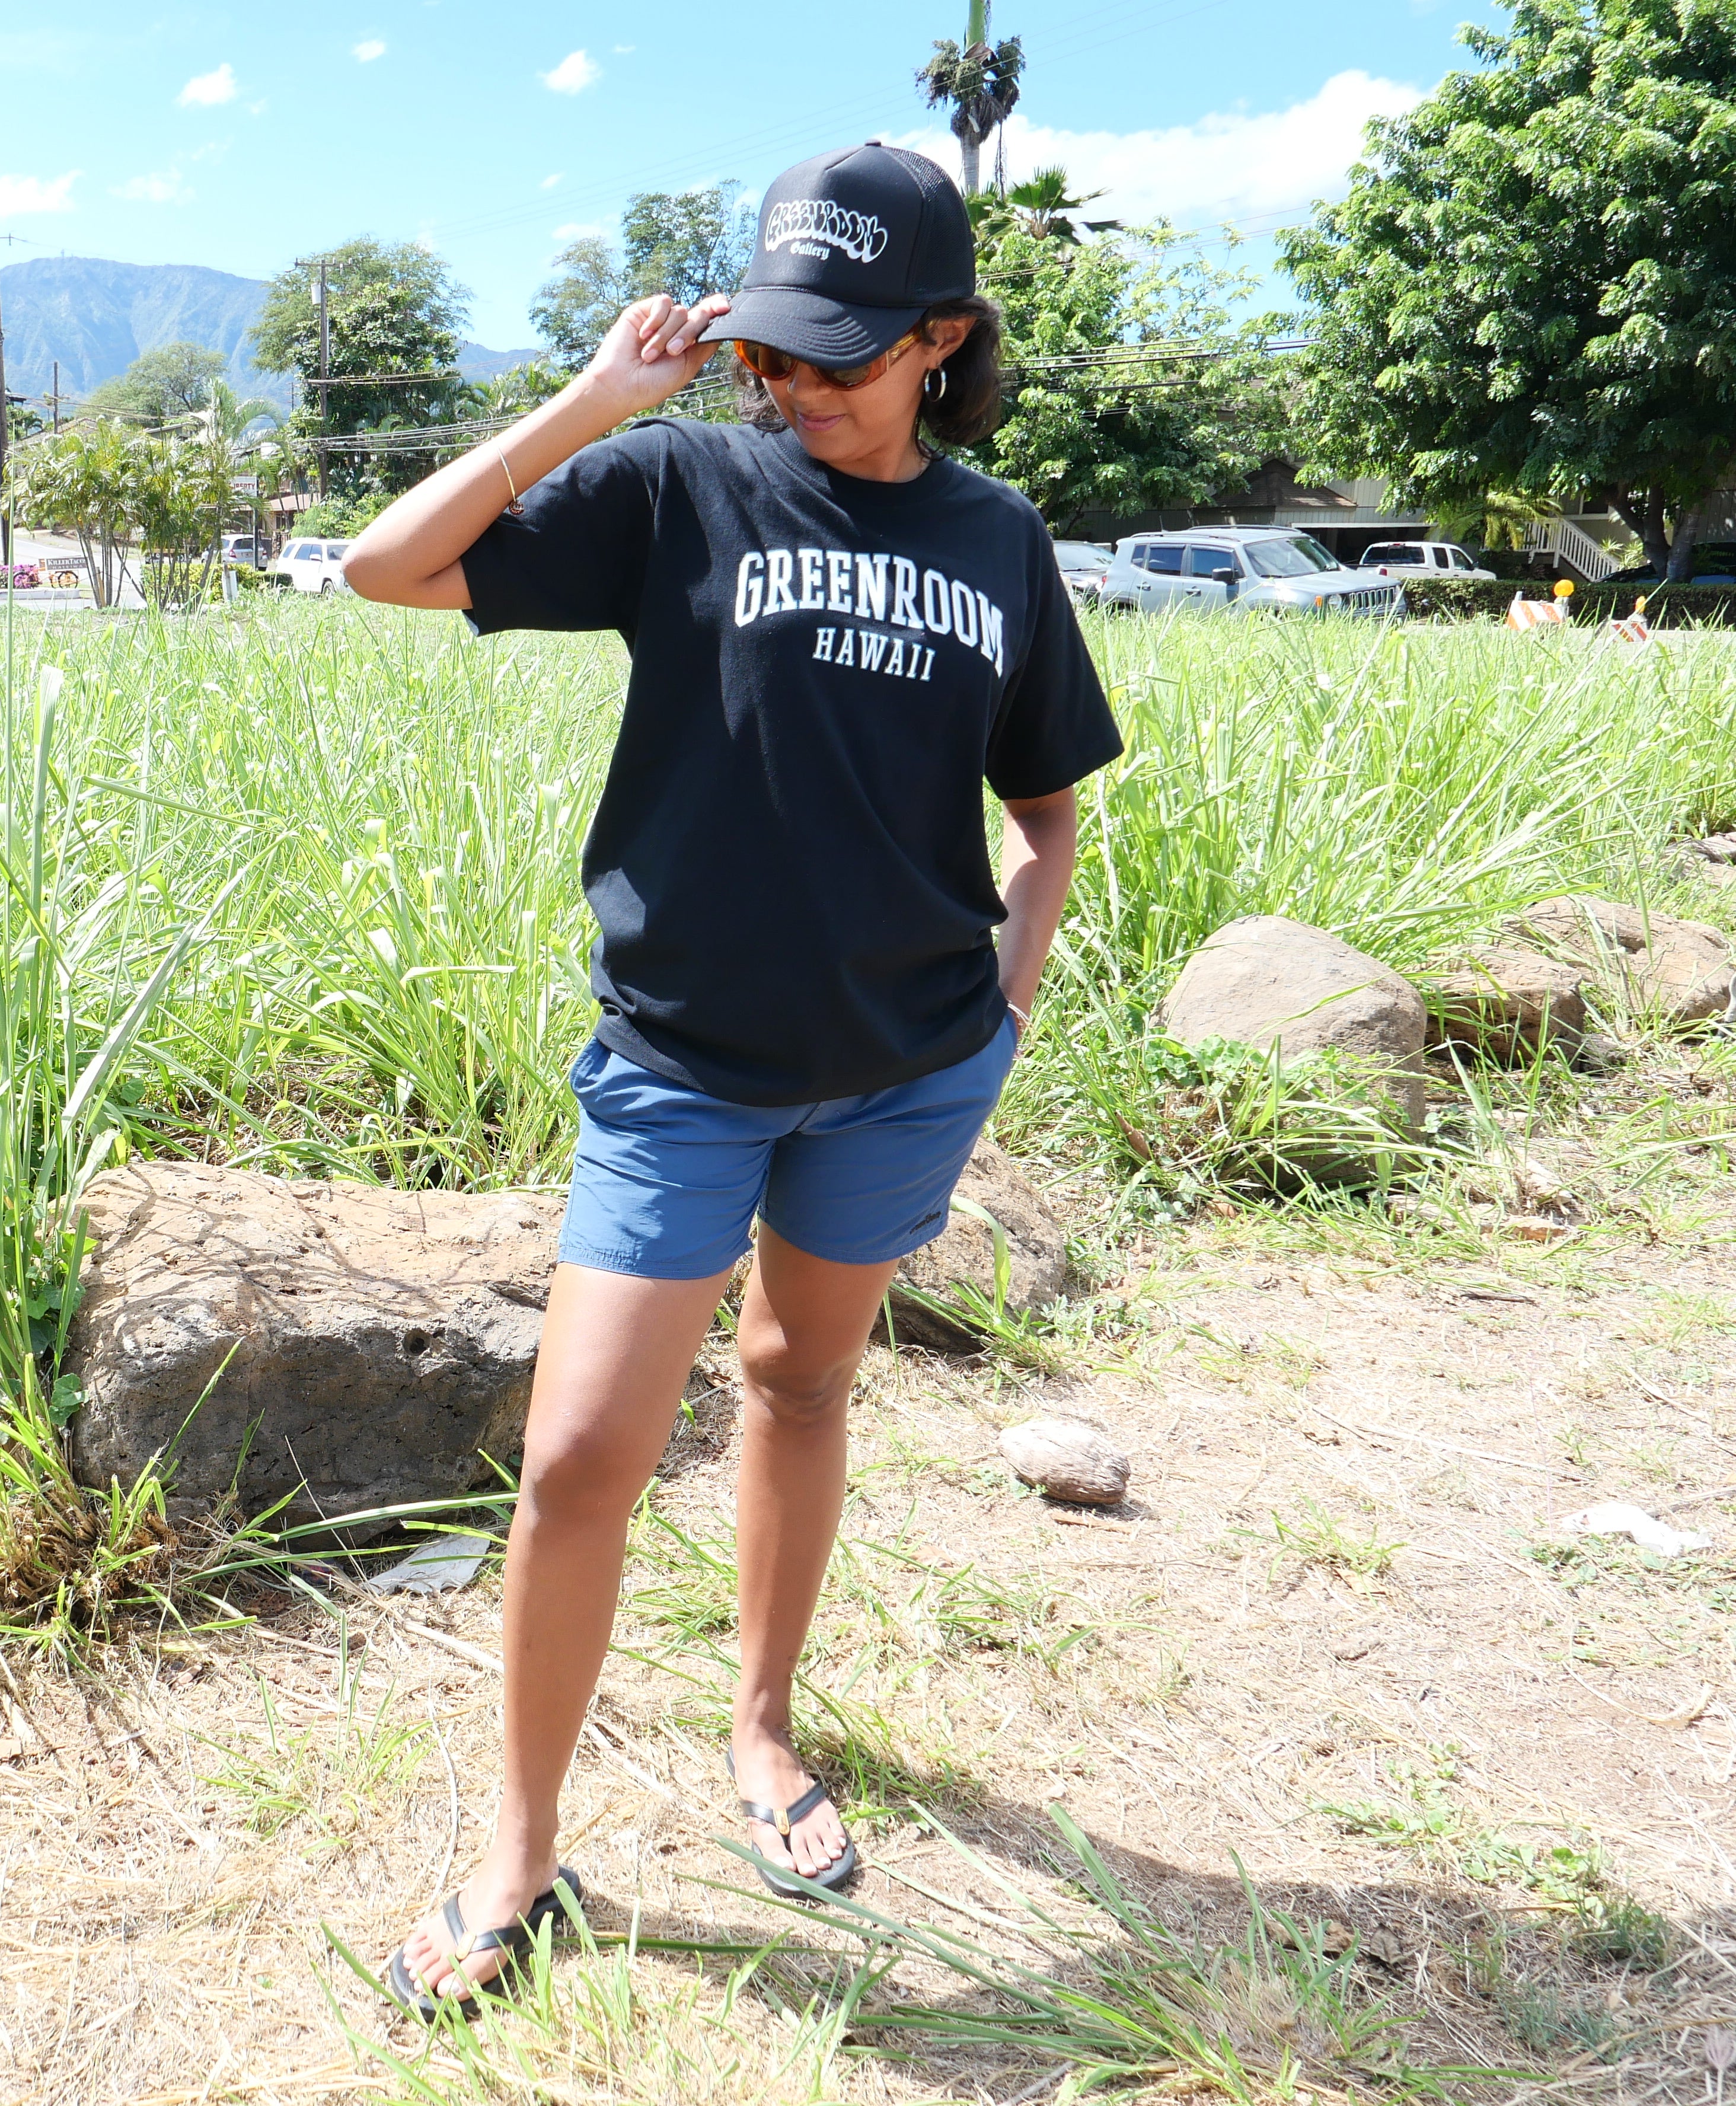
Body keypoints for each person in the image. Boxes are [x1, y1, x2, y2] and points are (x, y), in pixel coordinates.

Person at [342, 142, 1122, 2018]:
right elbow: (386, 567)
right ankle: (519, 1854)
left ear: (940, 338)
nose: (791, 386)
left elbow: (1046, 809)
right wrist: (595, 401)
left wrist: (1003, 1014)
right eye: (770, 349)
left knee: (801, 1378)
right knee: (581, 1455)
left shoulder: (997, 539)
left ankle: (761, 1733)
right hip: (683, 1068)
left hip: (903, 1068)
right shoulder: (682, 481)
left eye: (838, 356)